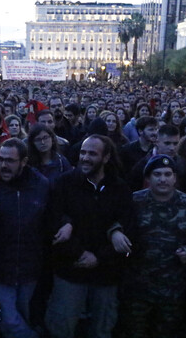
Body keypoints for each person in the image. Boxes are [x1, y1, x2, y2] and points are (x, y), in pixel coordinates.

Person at [111, 155, 186, 338]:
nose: (163, 179)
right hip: (137, 287)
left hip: (173, 288)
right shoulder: (134, 201)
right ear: (148, 178)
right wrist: (115, 232)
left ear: (175, 177)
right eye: (157, 174)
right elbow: (113, 220)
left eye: (167, 174)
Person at [45, 135, 127, 338]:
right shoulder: (64, 184)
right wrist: (79, 253)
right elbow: (52, 221)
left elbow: (128, 226)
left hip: (106, 274)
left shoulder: (119, 189)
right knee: (61, 327)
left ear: (106, 158)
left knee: (102, 329)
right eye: (83, 152)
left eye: (92, 153)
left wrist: (99, 257)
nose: (85, 158)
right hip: (71, 271)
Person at [0, 138, 49, 338]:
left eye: (10, 160)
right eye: (1, 159)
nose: (4, 165)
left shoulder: (41, 185)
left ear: (24, 162)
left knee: (23, 316)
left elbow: (53, 216)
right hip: (0, 269)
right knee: (10, 321)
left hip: (30, 269)